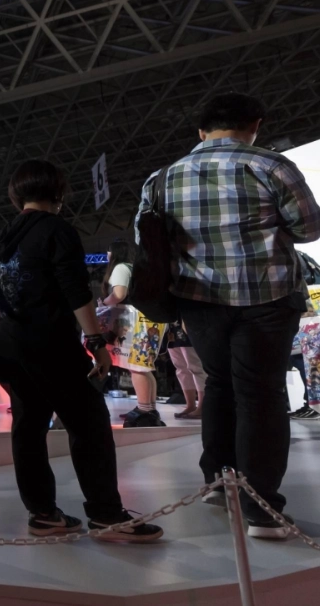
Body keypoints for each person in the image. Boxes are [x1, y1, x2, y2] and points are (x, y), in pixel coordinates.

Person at [137, 92, 320, 538]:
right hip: (268, 299)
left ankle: (219, 484)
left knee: (219, 383)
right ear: (255, 125)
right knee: (261, 393)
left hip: (199, 302)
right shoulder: (272, 166)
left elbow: (148, 240)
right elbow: (309, 228)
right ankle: (262, 508)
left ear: (201, 131)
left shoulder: (162, 178)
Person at [0, 159, 163, 542]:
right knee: (89, 424)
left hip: (12, 343)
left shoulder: (8, 233)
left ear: (17, 194)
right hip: (50, 343)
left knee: (28, 426)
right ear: (58, 191)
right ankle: (106, 515)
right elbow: (75, 290)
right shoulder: (57, 229)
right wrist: (95, 342)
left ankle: (43, 513)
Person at [99, 240, 165, 428]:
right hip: (150, 319)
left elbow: (119, 294)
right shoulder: (138, 267)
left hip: (137, 321)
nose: (107, 255)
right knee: (143, 367)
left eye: (109, 251)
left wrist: (103, 303)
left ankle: (145, 411)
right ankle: (148, 408)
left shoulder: (121, 267)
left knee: (137, 366)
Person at [167, 322, 205, 420]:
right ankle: (190, 405)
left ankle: (202, 406)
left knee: (196, 367)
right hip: (171, 326)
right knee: (181, 368)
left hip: (188, 323)